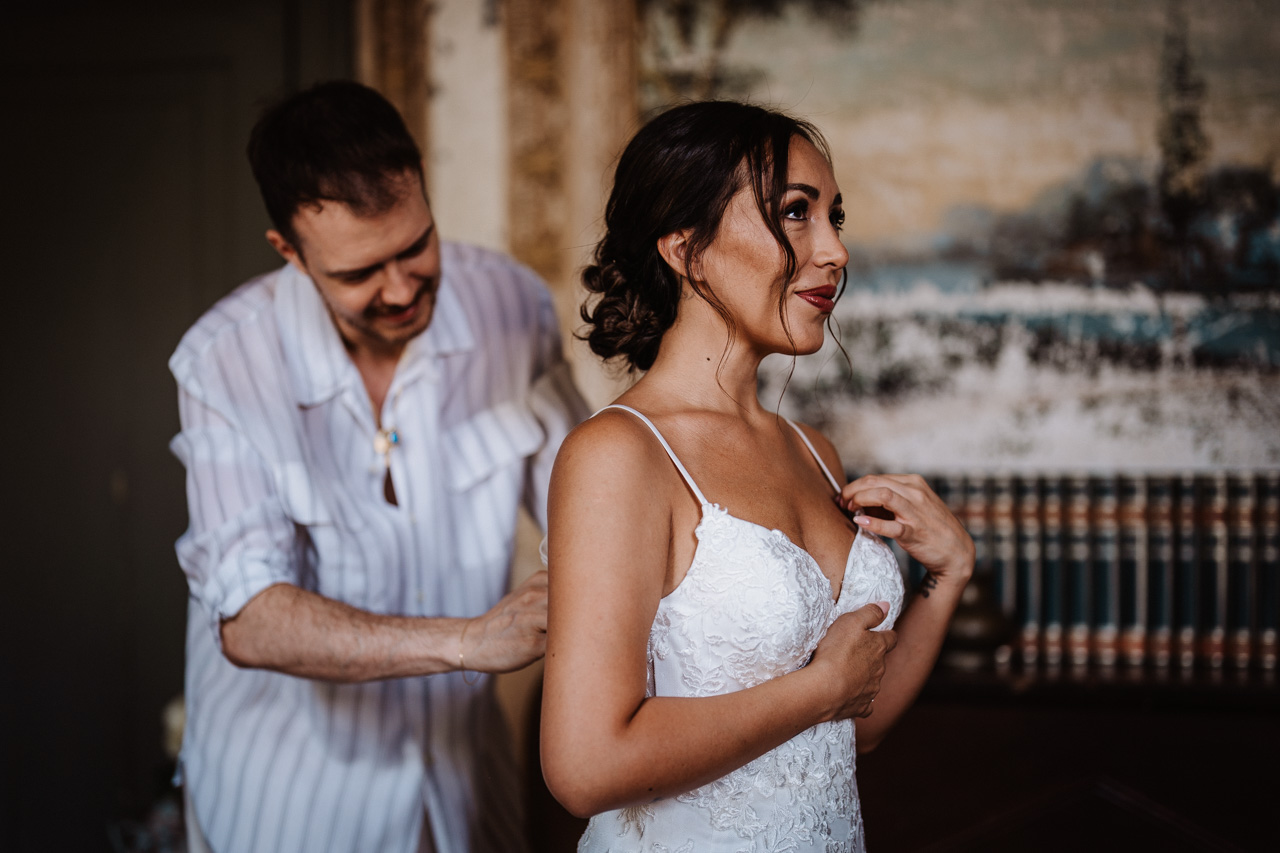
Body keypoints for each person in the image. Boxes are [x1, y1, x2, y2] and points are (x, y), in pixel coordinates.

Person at [540, 101, 975, 851]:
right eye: (796, 214)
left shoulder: (815, 453)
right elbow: (587, 765)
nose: (835, 250)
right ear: (686, 249)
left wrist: (950, 571)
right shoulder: (619, 454)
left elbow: (855, 723)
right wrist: (821, 687)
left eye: (835, 216)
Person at [168, 80, 588, 853]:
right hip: (289, 804)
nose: (400, 289)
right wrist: (469, 640)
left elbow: (591, 501)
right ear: (290, 253)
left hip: (467, 786)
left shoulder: (512, 305)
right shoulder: (222, 362)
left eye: (415, 247)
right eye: (359, 273)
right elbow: (250, 619)